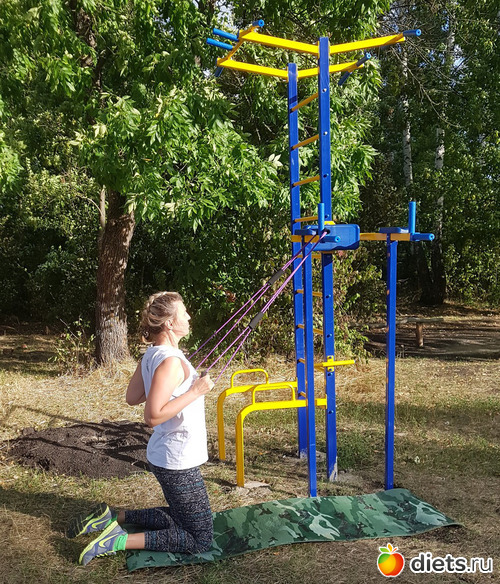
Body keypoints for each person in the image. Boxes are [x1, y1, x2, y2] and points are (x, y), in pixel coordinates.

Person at [67, 291, 215, 565]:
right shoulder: (170, 361)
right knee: (200, 538)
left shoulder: (153, 354)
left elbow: (133, 396)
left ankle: (112, 517)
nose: (189, 316)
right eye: (183, 312)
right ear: (169, 323)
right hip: (177, 458)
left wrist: (172, 386)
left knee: (178, 516)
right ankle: (117, 540)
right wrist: (195, 391)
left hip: (166, 454)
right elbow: (153, 416)